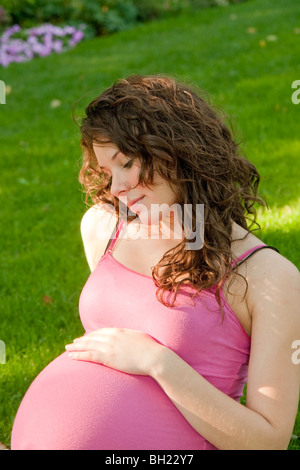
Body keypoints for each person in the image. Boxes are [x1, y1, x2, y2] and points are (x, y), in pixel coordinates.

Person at [11, 74, 300, 450]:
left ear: (179, 150)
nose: (115, 188)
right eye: (106, 172)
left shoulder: (268, 277)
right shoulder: (104, 227)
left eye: (126, 163)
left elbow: (268, 441)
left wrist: (157, 361)